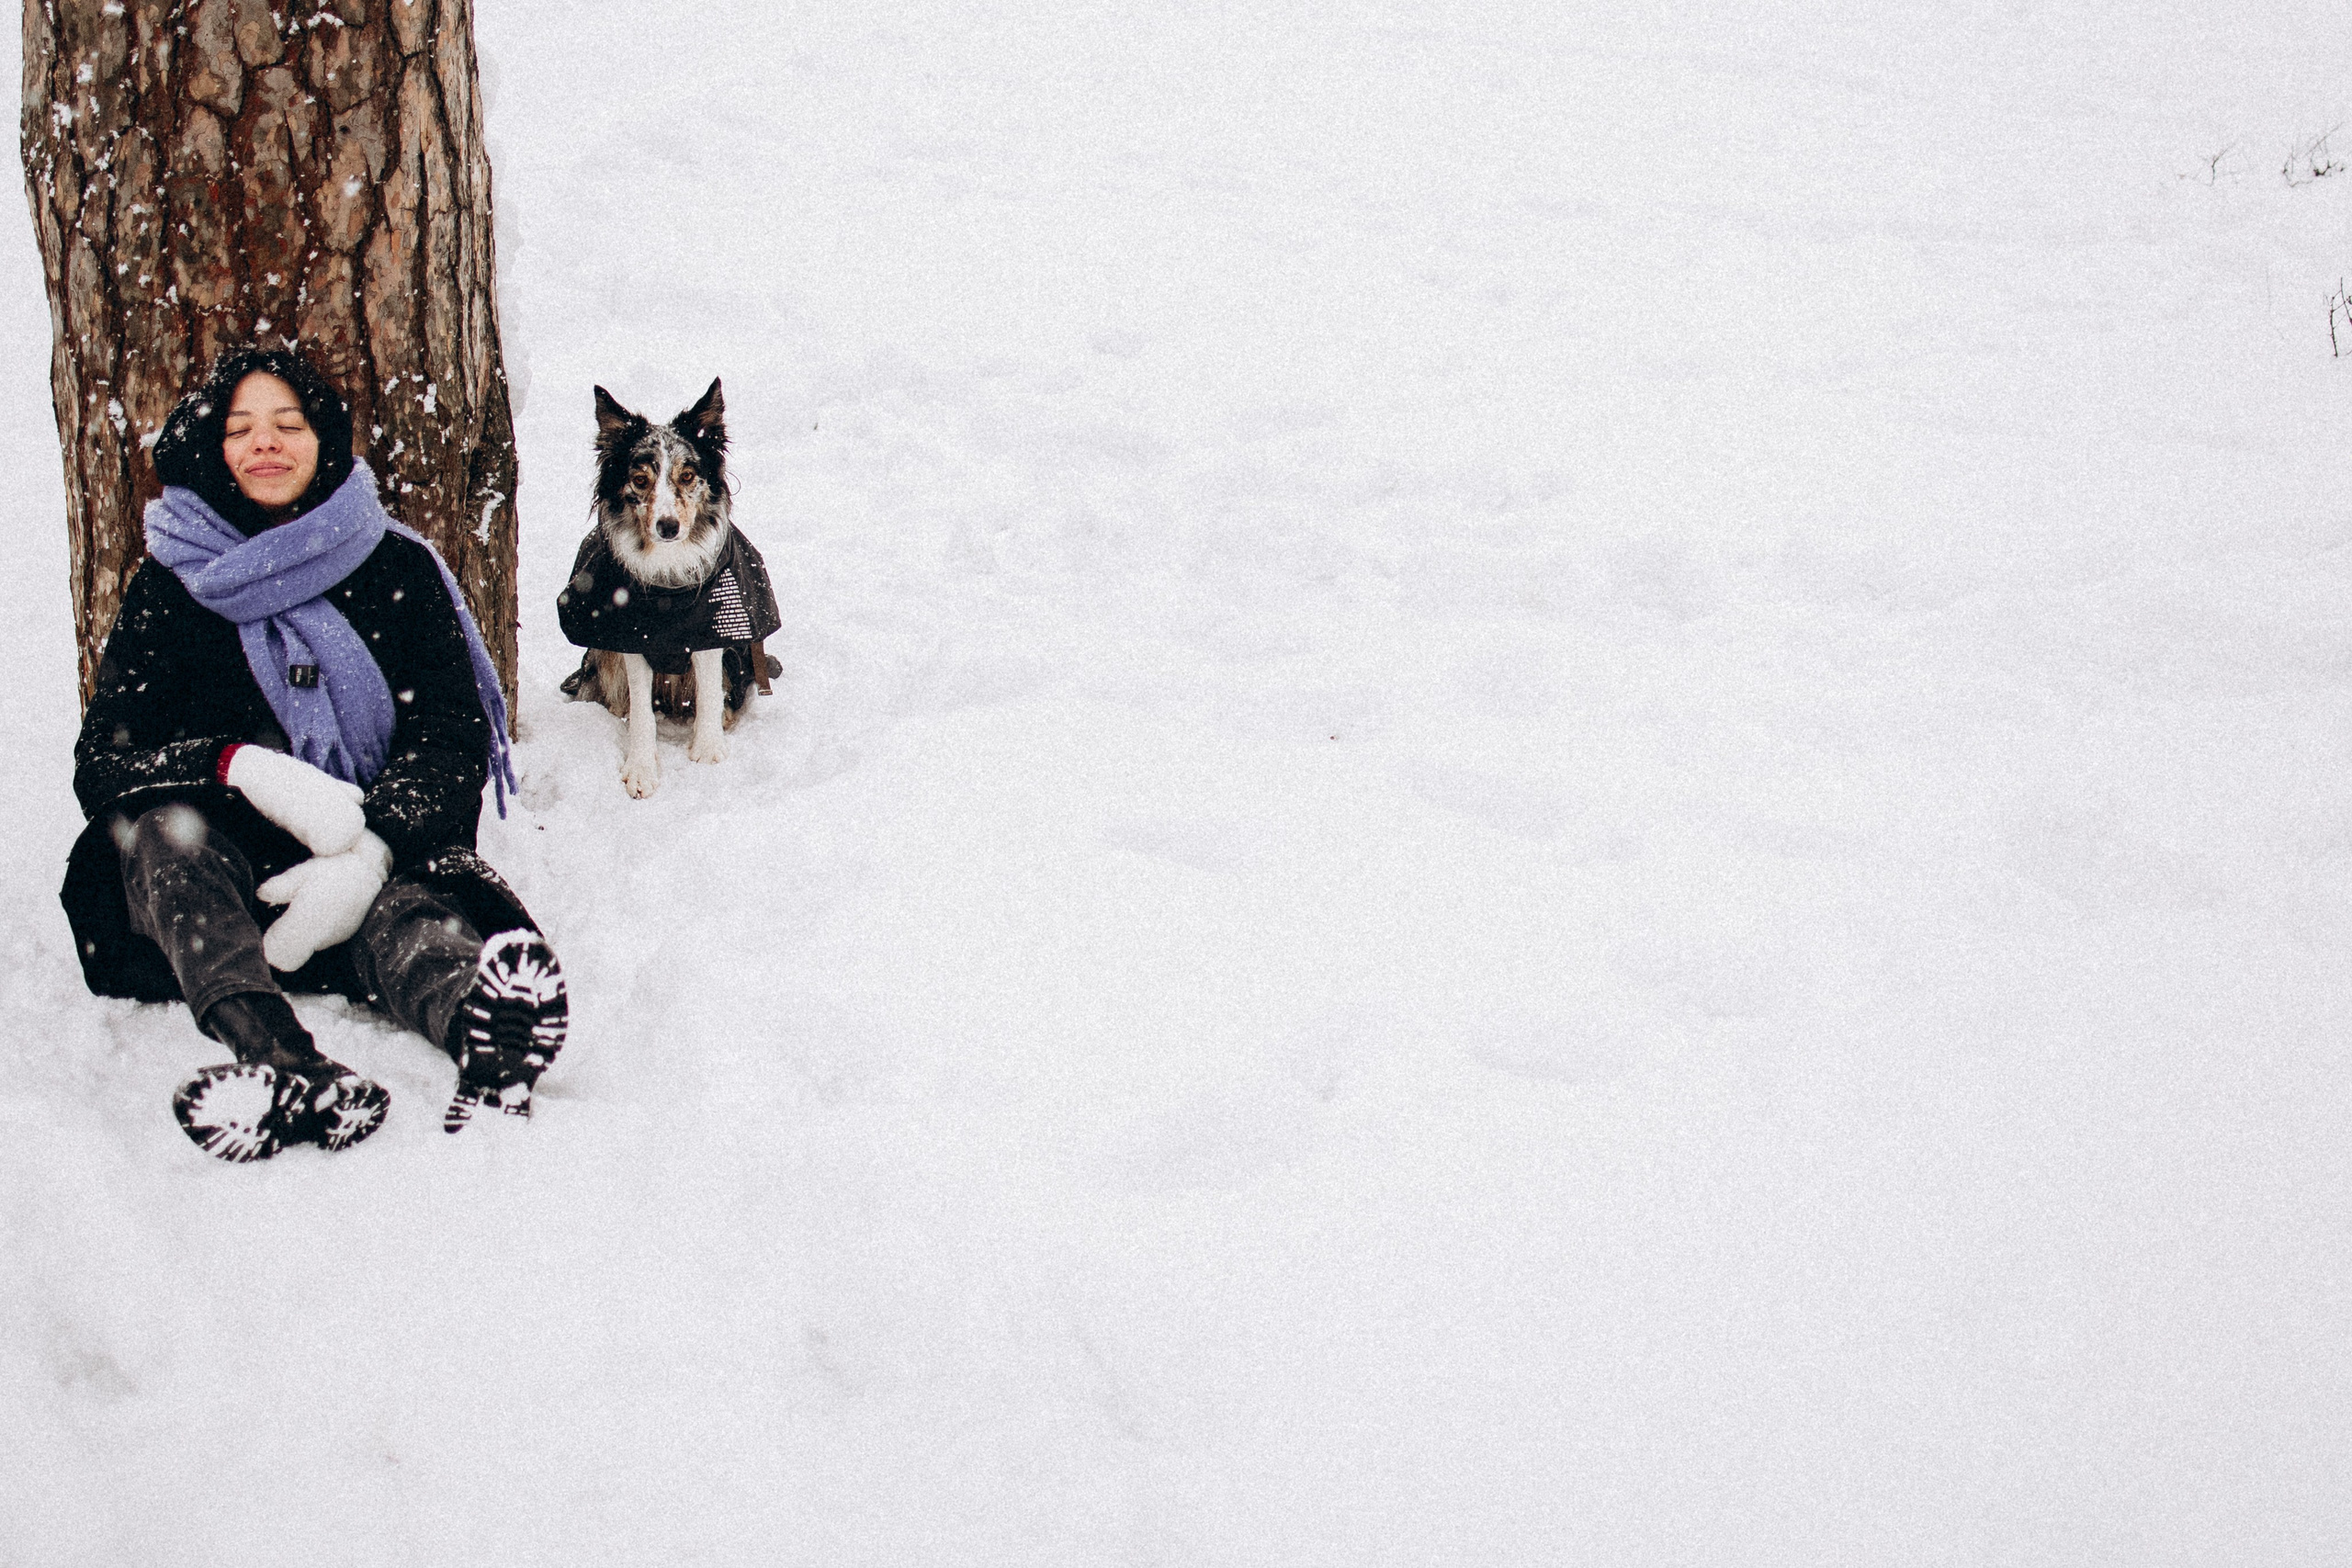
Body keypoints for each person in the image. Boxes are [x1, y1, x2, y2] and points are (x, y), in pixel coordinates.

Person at [60, 345, 567, 1161]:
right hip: (227, 882)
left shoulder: (397, 566)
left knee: (411, 914)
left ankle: (488, 1028)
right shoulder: (173, 584)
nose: (265, 443)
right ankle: (284, 1063)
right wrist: (237, 766)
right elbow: (105, 761)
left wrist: (373, 849)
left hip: (366, 854)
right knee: (164, 839)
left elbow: (448, 736)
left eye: (288, 424)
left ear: (323, 439)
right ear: (213, 449)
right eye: (241, 428)